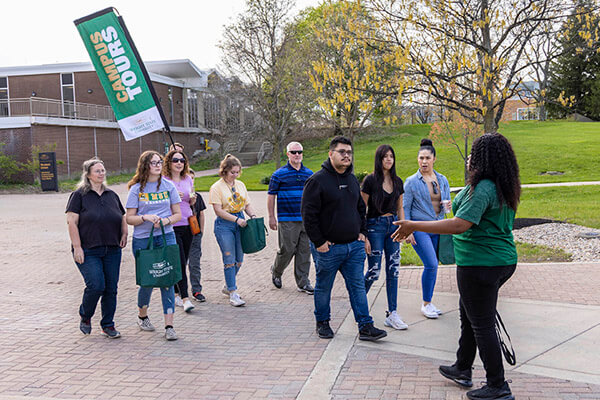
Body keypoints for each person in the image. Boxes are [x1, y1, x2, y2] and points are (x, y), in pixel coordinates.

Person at [392, 133, 520, 400]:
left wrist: (413, 224)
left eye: (475, 152)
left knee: (482, 324)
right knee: (469, 314)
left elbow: (460, 224)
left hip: (481, 263)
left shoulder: (484, 186)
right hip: (498, 260)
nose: (470, 157)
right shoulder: (499, 184)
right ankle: (463, 367)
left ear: (485, 158)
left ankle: (498, 385)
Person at [301, 136, 387, 341]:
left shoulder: (351, 179)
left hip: (353, 248)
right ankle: (322, 323)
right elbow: (308, 215)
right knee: (323, 287)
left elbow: (360, 208)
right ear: (331, 154)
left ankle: (365, 326)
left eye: (349, 152)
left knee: (357, 286)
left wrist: (362, 233)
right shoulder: (317, 181)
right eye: (342, 152)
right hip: (328, 249)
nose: (346, 155)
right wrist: (319, 242)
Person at [66, 158, 127, 338]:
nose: (102, 173)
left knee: (111, 288)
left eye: (103, 170)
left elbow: (121, 216)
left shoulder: (111, 195)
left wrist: (124, 234)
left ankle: (108, 324)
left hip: (112, 248)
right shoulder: (79, 196)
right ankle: (85, 315)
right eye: (97, 171)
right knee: (96, 285)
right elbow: (71, 221)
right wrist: (77, 247)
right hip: (88, 249)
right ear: (88, 175)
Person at [126, 150, 182, 341]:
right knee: (148, 281)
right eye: (153, 163)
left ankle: (169, 326)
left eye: (159, 162)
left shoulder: (168, 186)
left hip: (166, 237)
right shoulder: (136, 189)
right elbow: (129, 218)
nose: (158, 165)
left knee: (167, 279)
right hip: (143, 240)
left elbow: (178, 214)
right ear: (145, 166)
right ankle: (142, 316)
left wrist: (165, 221)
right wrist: (144, 217)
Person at [361, 144, 410, 330]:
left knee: (393, 270)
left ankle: (392, 313)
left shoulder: (398, 181)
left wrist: (404, 227)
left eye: (391, 156)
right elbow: (361, 209)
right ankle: (359, 304)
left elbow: (400, 207)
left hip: (393, 227)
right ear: (379, 159)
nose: (389, 159)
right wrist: (363, 233)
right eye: (385, 156)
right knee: (374, 270)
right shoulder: (370, 181)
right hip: (374, 227)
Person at [403, 138, 451, 319]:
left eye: (427, 158)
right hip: (420, 228)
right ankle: (426, 304)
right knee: (430, 264)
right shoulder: (411, 182)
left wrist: (449, 211)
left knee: (434, 265)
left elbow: (446, 204)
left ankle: (429, 301)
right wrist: (408, 231)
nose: (423, 162)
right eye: (421, 158)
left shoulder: (442, 179)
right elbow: (405, 208)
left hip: (438, 226)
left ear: (434, 159)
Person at [209, 154, 259, 307]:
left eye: (237, 172)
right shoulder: (216, 187)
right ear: (224, 171)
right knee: (229, 259)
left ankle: (228, 285)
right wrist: (236, 220)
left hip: (241, 221)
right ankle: (232, 292)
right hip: (225, 224)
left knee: (239, 259)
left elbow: (246, 204)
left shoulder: (240, 185)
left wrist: (253, 215)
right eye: (232, 172)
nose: (235, 175)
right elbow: (218, 211)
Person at [267, 141, 314, 294]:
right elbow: (271, 196)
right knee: (286, 249)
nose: (297, 155)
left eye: (299, 152)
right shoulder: (279, 174)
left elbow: (314, 197)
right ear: (287, 154)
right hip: (287, 219)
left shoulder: (309, 174)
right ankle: (276, 271)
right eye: (293, 152)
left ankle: (303, 282)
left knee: (304, 251)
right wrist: (271, 217)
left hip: (306, 219)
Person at [162, 149, 196, 313]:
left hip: (187, 223)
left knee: (183, 260)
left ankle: (175, 292)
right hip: (172, 225)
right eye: (175, 160)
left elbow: (190, 200)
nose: (179, 163)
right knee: (180, 262)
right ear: (169, 162)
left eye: (182, 160)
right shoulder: (164, 181)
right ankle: (185, 298)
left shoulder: (188, 178)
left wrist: (192, 199)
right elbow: (160, 203)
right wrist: (172, 196)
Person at [188, 186, 207, 302]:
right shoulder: (176, 195)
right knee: (180, 263)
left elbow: (201, 214)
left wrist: (201, 231)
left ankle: (196, 290)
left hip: (195, 233)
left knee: (195, 263)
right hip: (180, 233)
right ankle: (179, 291)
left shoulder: (197, 196)